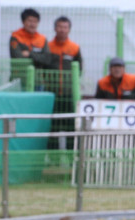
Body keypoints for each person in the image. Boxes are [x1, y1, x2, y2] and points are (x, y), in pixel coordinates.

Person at [47, 16, 82, 149]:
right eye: (60, 27)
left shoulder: (74, 48)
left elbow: (80, 69)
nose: (62, 30)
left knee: (70, 125)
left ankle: (70, 157)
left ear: (69, 30)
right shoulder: (48, 47)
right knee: (52, 126)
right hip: (52, 93)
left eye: (65, 27)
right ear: (55, 28)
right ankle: (52, 159)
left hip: (68, 94)